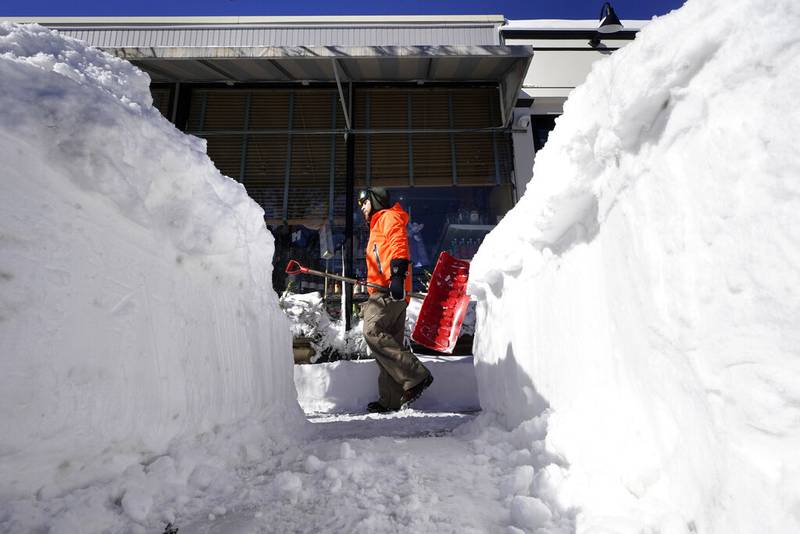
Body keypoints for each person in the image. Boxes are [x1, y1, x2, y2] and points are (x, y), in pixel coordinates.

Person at [357, 187, 433, 413]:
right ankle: (390, 400)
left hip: (388, 290)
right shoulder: (378, 222)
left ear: (376, 201)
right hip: (386, 289)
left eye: (364, 202)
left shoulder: (387, 217)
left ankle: (416, 375)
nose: (362, 207)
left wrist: (397, 276)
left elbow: (398, 243)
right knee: (389, 343)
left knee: (372, 332)